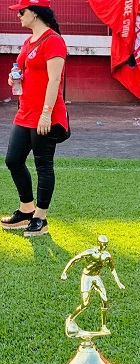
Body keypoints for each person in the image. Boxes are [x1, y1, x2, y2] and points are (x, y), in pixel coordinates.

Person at [1, 0, 68, 237]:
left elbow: (54, 80)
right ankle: (26, 209)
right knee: (13, 160)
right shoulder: (28, 42)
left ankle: (40, 217)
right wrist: (13, 78)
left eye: (22, 11)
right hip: (25, 112)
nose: (18, 16)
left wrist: (46, 113)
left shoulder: (54, 41)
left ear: (36, 13)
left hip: (45, 114)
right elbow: (19, 70)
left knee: (43, 165)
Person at [60, 235, 125, 336]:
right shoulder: (90, 252)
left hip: (96, 277)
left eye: (106, 245)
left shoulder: (107, 256)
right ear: (98, 243)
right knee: (85, 304)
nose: (105, 247)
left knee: (105, 300)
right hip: (87, 277)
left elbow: (112, 269)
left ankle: (104, 326)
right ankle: (71, 318)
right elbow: (75, 259)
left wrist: (118, 282)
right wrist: (64, 272)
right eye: (103, 244)